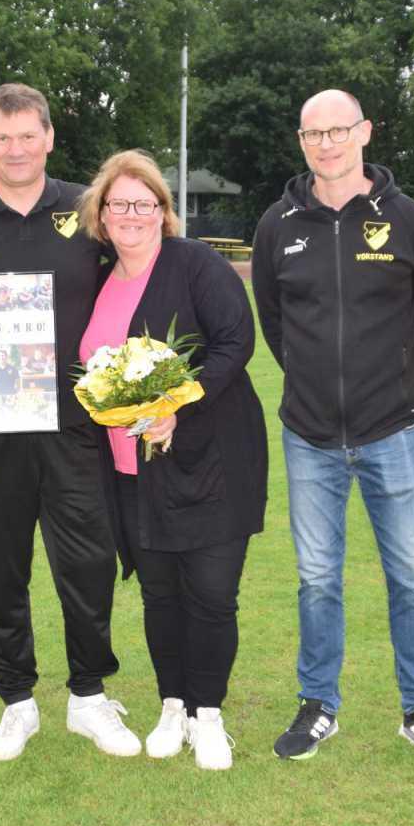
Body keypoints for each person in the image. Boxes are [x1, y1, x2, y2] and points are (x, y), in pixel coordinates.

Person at [0, 83, 138, 760]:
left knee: (89, 563)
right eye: (1, 137)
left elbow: (134, 289)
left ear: (48, 138)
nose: (15, 148)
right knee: (2, 570)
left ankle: (90, 697)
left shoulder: (88, 209)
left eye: (26, 135)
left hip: (77, 428)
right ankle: (16, 701)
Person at [252, 89, 414, 768]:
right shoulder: (277, 224)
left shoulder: (409, 221)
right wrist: (317, 389)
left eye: (338, 130)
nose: (327, 143)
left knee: (411, 576)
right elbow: (275, 324)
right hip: (309, 434)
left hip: (393, 431)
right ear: (301, 140)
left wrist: (397, 388)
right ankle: (318, 703)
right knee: (318, 577)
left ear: (365, 133)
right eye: (314, 133)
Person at [77, 150, 268, 770]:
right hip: (133, 471)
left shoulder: (195, 264)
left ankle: (208, 715)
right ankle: (172, 704)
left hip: (211, 459)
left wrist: (179, 407)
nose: (130, 215)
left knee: (211, 594)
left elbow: (236, 340)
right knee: (159, 596)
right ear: (101, 217)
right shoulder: (97, 276)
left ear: (163, 211)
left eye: (144, 203)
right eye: (117, 204)